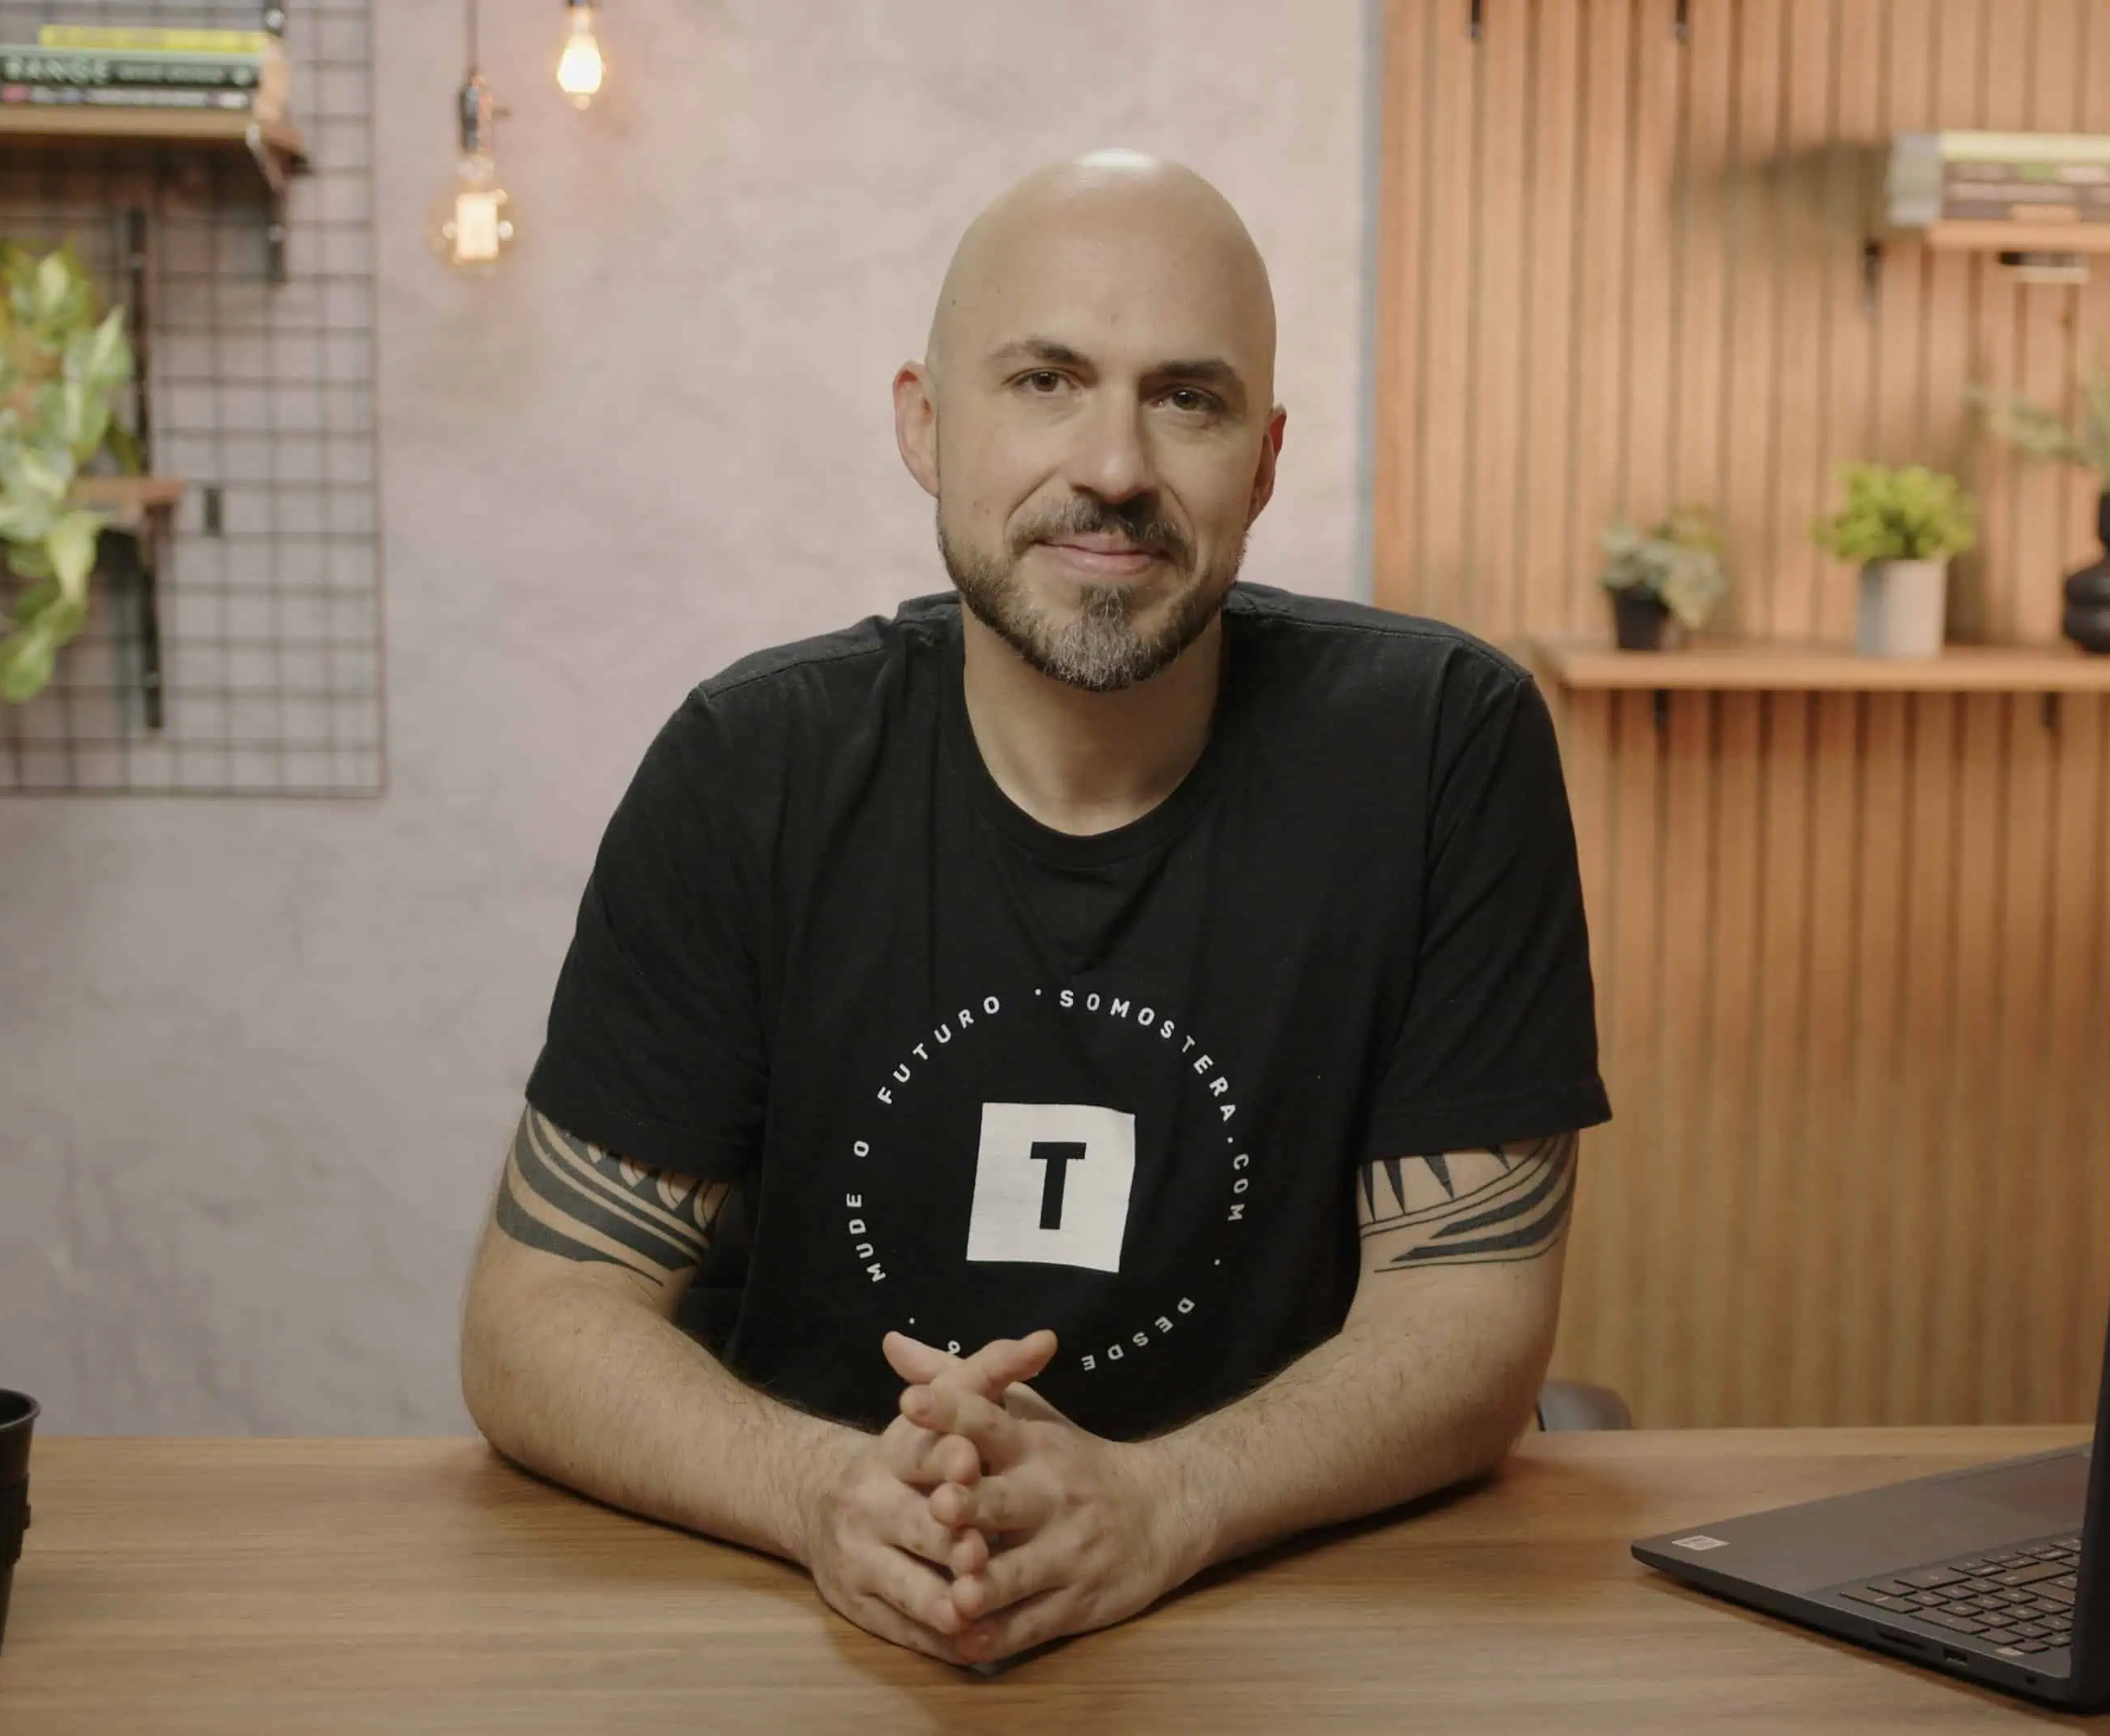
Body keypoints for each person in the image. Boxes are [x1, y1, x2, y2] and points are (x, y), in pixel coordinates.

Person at [459, 150, 1609, 1668]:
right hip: (818, 1633)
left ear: (1264, 461)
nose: (1116, 467)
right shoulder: (754, 765)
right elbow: (537, 1316)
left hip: (1283, 1624)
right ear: (925, 427)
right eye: (1047, 380)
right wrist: (823, 1494)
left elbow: (1470, 1322)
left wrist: (1166, 1502)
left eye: (1185, 398)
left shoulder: (1443, 747)